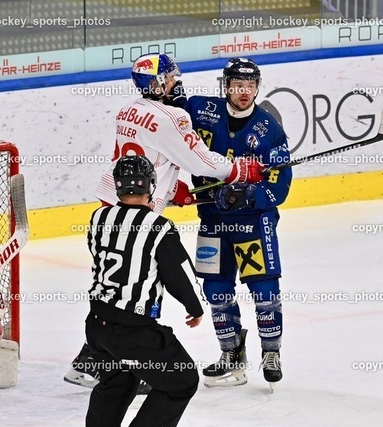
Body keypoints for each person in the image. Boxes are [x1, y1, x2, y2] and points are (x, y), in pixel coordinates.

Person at [65, 52, 266, 389]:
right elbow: (201, 161)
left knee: (117, 285)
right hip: (140, 216)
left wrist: (172, 190)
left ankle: (90, 362)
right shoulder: (172, 117)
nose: (177, 82)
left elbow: (149, 156)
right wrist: (243, 169)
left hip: (111, 206)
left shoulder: (128, 110)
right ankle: (113, 366)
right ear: (158, 83)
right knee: (141, 288)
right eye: (171, 78)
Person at [180, 57, 292, 387]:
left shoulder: (269, 129)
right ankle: (231, 354)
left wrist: (249, 196)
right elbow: (170, 113)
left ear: (258, 87)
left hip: (253, 223)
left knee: (264, 290)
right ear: (226, 86)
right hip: (212, 220)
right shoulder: (201, 110)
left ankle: (271, 353)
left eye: (250, 85)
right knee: (215, 291)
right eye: (237, 85)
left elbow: (280, 184)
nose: (244, 92)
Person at [85, 154, 204, 427]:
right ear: (150, 186)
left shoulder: (99, 217)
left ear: (117, 186)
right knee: (182, 380)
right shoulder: (160, 227)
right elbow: (179, 275)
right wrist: (195, 308)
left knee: (117, 381)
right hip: (134, 331)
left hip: (97, 327)